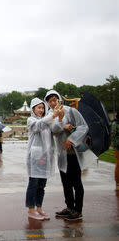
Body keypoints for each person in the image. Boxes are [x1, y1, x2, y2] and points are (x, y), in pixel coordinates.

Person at [45, 90, 92, 221]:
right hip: (62, 153)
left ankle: (78, 210)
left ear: (59, 99)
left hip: (73, 152)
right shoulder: (50, 115)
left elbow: (83, 127)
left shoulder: (71, 111)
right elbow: (53, 130)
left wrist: (71, 138)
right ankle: (70, 207)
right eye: (50, 101)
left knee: (76, 182)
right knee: (65, 182)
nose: (53, 103)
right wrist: (60, 121)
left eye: (55, 99)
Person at [25, 98, 61, 220]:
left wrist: (60, 119)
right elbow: (38, 126)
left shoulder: (48, 120)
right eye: (39, 107)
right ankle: (31, 209)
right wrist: (52, 116)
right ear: (33, 109)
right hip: (35, 157)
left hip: (45, 157)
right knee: (33, 184)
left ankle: (39, 208)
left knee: (41, 185)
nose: (41, 110)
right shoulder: (31, 120)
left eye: (42, 108)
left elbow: (56, 130)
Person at [111, 112, 119, 190]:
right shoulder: (115, 124)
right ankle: (117, 182)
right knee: (118, 165)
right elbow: (113, 136)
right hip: (117, 148)